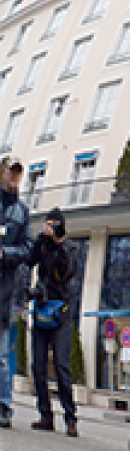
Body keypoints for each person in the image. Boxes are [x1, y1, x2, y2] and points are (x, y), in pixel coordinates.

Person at [28, 207, 79, 436]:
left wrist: (58, 243)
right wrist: (40, 240)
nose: (51, 228)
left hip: (61, 313)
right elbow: (29, 261)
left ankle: (70, 418)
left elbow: (67, 272)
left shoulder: (70, 247)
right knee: (38, 366)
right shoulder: (43, 245)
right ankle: (45, 416)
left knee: (61, 366)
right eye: (48, 224)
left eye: (54, 224)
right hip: (41, 310)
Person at [0, 160, 32, 429]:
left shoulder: (22, 212)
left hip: (3, 293)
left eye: (18, 174)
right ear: (4, 173)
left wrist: (4, 254)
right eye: (11, 171)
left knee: (1, 356)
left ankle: (3, 406)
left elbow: (27, 249)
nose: (13, 177)